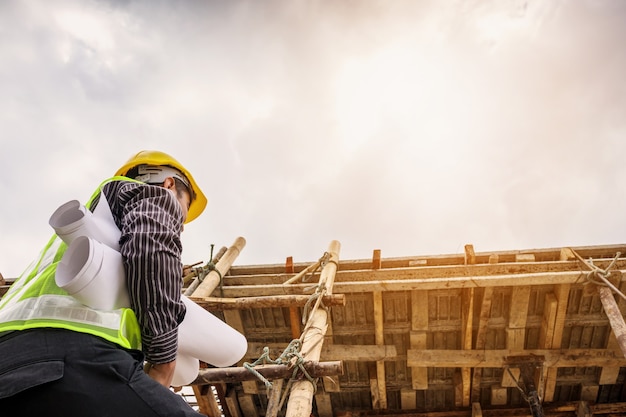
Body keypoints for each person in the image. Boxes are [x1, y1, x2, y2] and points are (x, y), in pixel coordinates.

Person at [0, 150, 208, 416]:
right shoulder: (148, 195)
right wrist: (163, 361)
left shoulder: (81, 233)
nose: (181, 227)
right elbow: (149, 250)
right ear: (169, 184)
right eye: (185, 209)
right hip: (77, 360)